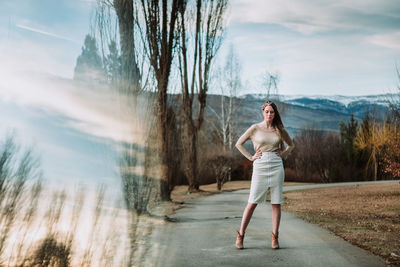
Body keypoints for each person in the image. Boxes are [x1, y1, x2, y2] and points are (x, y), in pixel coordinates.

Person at [235, 100, 294, 249]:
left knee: (276, 202)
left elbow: (291, 144)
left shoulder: (279, 129)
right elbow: (238, 143)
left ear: (275, 114)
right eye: (267, 111)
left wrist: (284, 153)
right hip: (260, 166)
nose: (269, 114)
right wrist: (250, 157)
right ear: (263, 112)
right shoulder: (255, 128)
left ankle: (275, 237)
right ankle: (240, 235)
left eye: (272, 112)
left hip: (276, 165)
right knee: (252, 202)